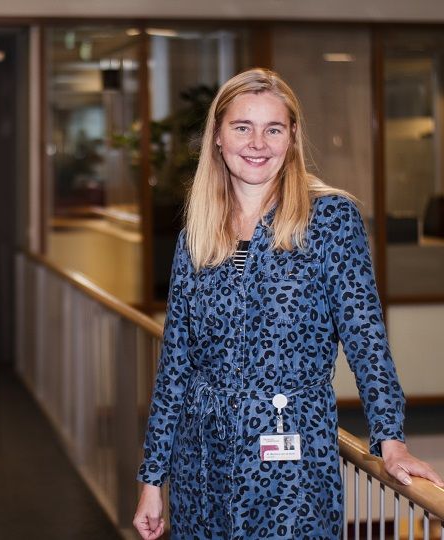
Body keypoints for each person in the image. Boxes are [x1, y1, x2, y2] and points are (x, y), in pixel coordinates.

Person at [133, 68, 443, 539]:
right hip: (200, 463)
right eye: (242, 127)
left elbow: (365, 338)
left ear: (292, 137)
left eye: (273, 129)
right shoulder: (196, 235)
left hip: (290, 467)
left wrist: (391, 440)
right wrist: (152, 479)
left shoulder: (330, 220)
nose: (257, 143)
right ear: (218, 135)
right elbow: (176, 365)